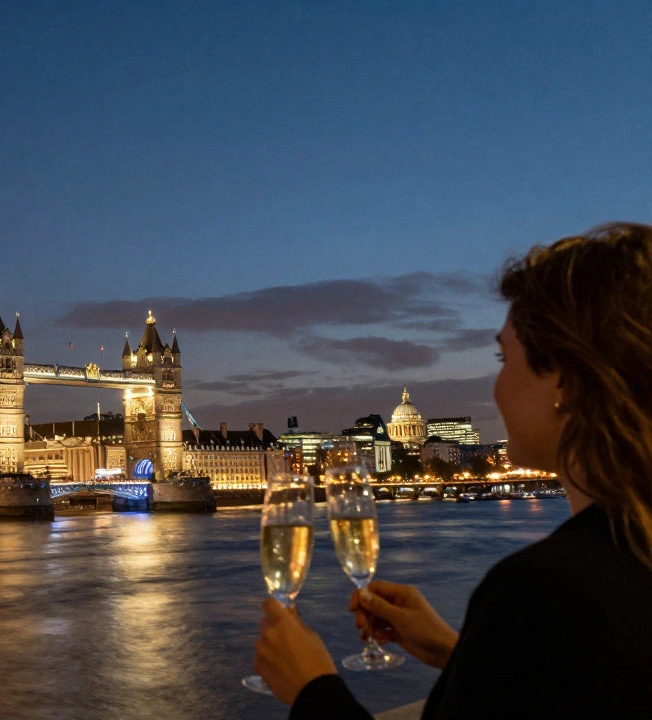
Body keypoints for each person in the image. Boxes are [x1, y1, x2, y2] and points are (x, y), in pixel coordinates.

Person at [253, 223, 652, 719]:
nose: (496, 386)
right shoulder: (630, 555)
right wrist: (460, 652)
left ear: (567, 382)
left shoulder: (541, 590)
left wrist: (311, 687)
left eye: (505, 358)